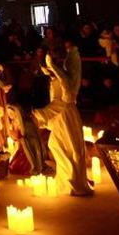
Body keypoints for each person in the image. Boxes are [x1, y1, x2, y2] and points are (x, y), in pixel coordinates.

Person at [33, 53, 92, 196]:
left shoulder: (64, 80)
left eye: (49, 67)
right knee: (57, 145)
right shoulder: (54, 79)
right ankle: (66, 179)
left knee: (69, 147)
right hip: (58, 116)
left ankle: (74, 181)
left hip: (66, 117)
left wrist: (42, 114)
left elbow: (64, 99)